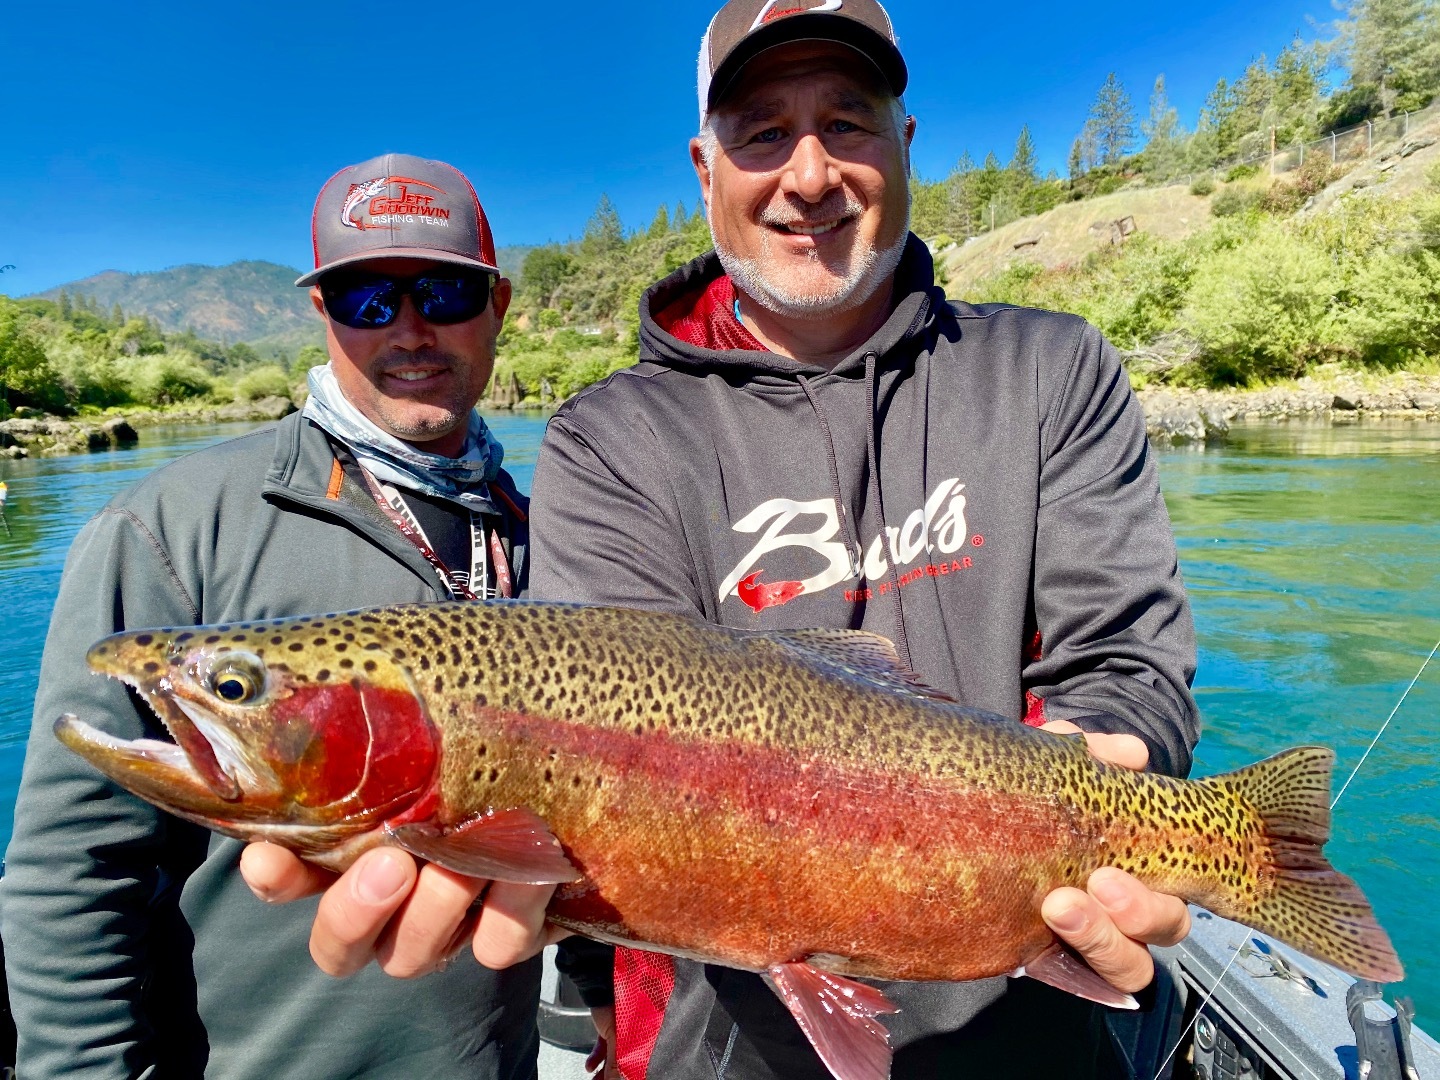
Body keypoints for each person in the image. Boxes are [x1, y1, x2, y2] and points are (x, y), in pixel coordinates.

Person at [246, 2, 1199, 1075]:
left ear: (906, 144)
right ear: (705, 166)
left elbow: (1127, 663)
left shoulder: (1050, 370)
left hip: (1033, 1006)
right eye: (761, 132)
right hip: (728, 1046)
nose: (808, 175)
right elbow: (623, 758)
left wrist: (1112, 774)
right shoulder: (614, 437)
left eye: (847, 122)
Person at [1, 153, 548, 1078]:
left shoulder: (540, 530)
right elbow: (73, 871)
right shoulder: (174, 525)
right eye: (367, 300)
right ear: (323, 317)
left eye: (445, 295)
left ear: (496, 308)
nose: (409, 329)